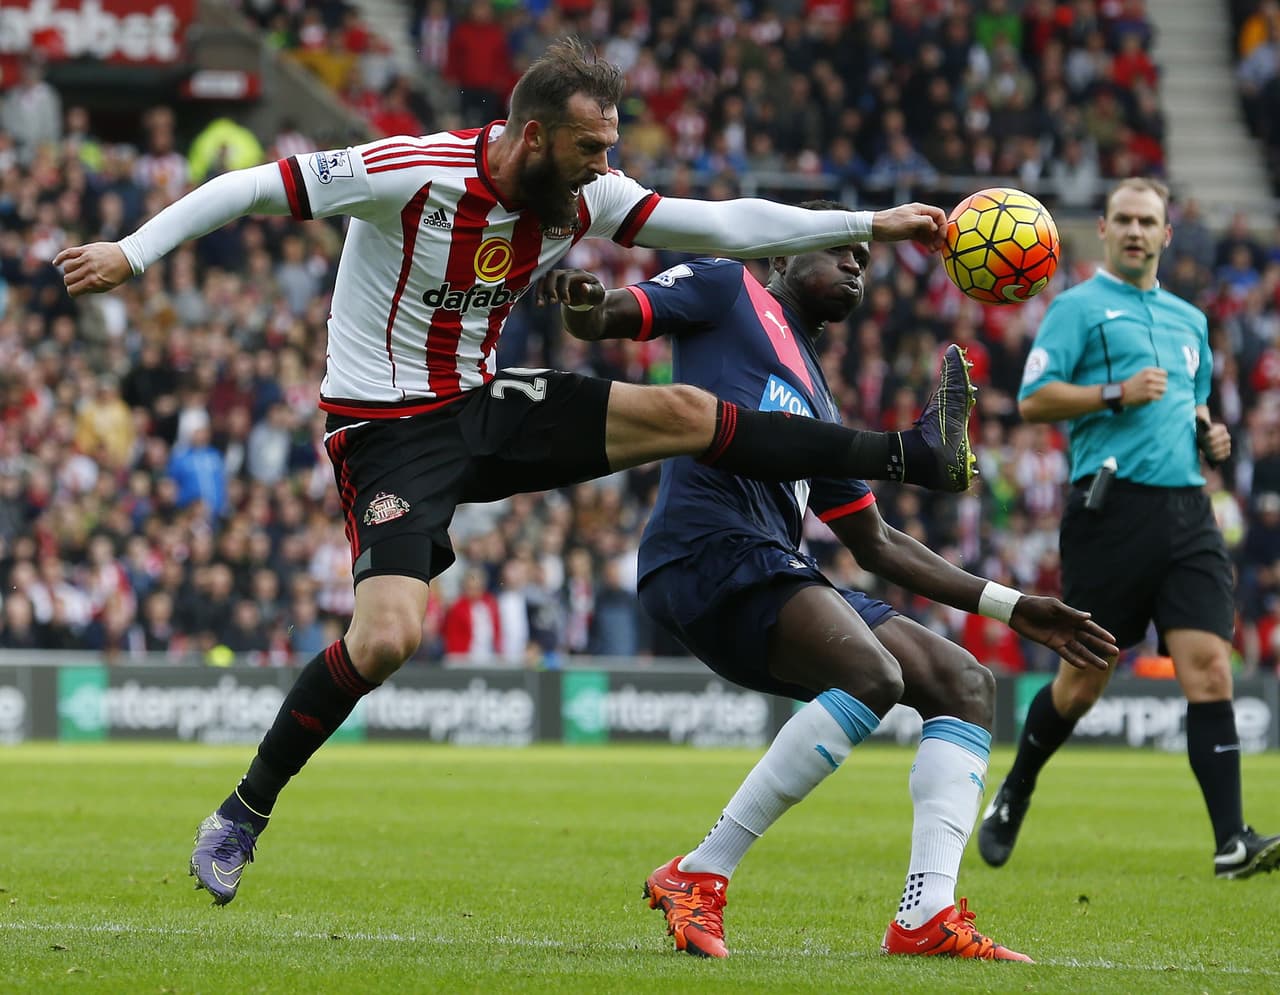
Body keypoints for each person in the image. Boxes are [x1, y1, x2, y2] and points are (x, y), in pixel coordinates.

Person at [55, 39, 975, 907]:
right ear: (532, 134)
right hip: (387, 433)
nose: (601, 165)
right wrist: (131, 253)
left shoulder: (588, 196)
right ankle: (244, 809)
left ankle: (904, 452)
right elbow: (252, 185)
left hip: (486, 405)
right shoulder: (411, 171)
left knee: (688, 414)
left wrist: (867, 222)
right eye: (587, 147)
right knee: (384, 640)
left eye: (609, 148)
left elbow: (724, 223)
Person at [541, 201, 1117, 960]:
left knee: (963, 681)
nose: (856, 263)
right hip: (702, 550)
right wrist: (589, 305)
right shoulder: (726, 286)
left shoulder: (817, 397)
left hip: (773, 566)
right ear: (778, 256)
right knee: (870, 673)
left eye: (863, 258)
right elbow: (617, 312)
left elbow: (874, 541)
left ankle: (926, 914)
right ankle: (701, 871)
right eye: (839, 249)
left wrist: (1013, 606)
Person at [979, 177, 1280, 880]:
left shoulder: (1189, 321)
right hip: (1108, 513)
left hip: (1187, 511)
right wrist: (1113, 392)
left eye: (1149, 220)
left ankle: (1231, 839)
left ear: (1168, 234)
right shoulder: (1077, 308)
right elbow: (1032, 400)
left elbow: (1195, 404)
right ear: (1106, 231)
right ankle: (1017, 786)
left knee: (1209, 667)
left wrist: (1212, 438)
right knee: (1083, 684)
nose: (1138, 230)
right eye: (1125, 220)